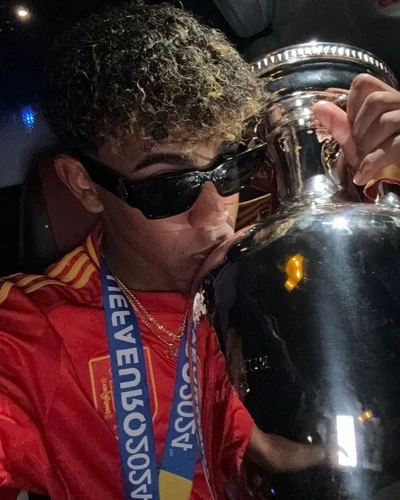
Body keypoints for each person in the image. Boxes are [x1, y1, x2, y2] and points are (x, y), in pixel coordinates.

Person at [1, 1, 400, 499]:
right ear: (83, 184)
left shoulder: (287, 253)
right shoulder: (30, 332)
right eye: (169, 187)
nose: (215, 219)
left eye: (230, 169)